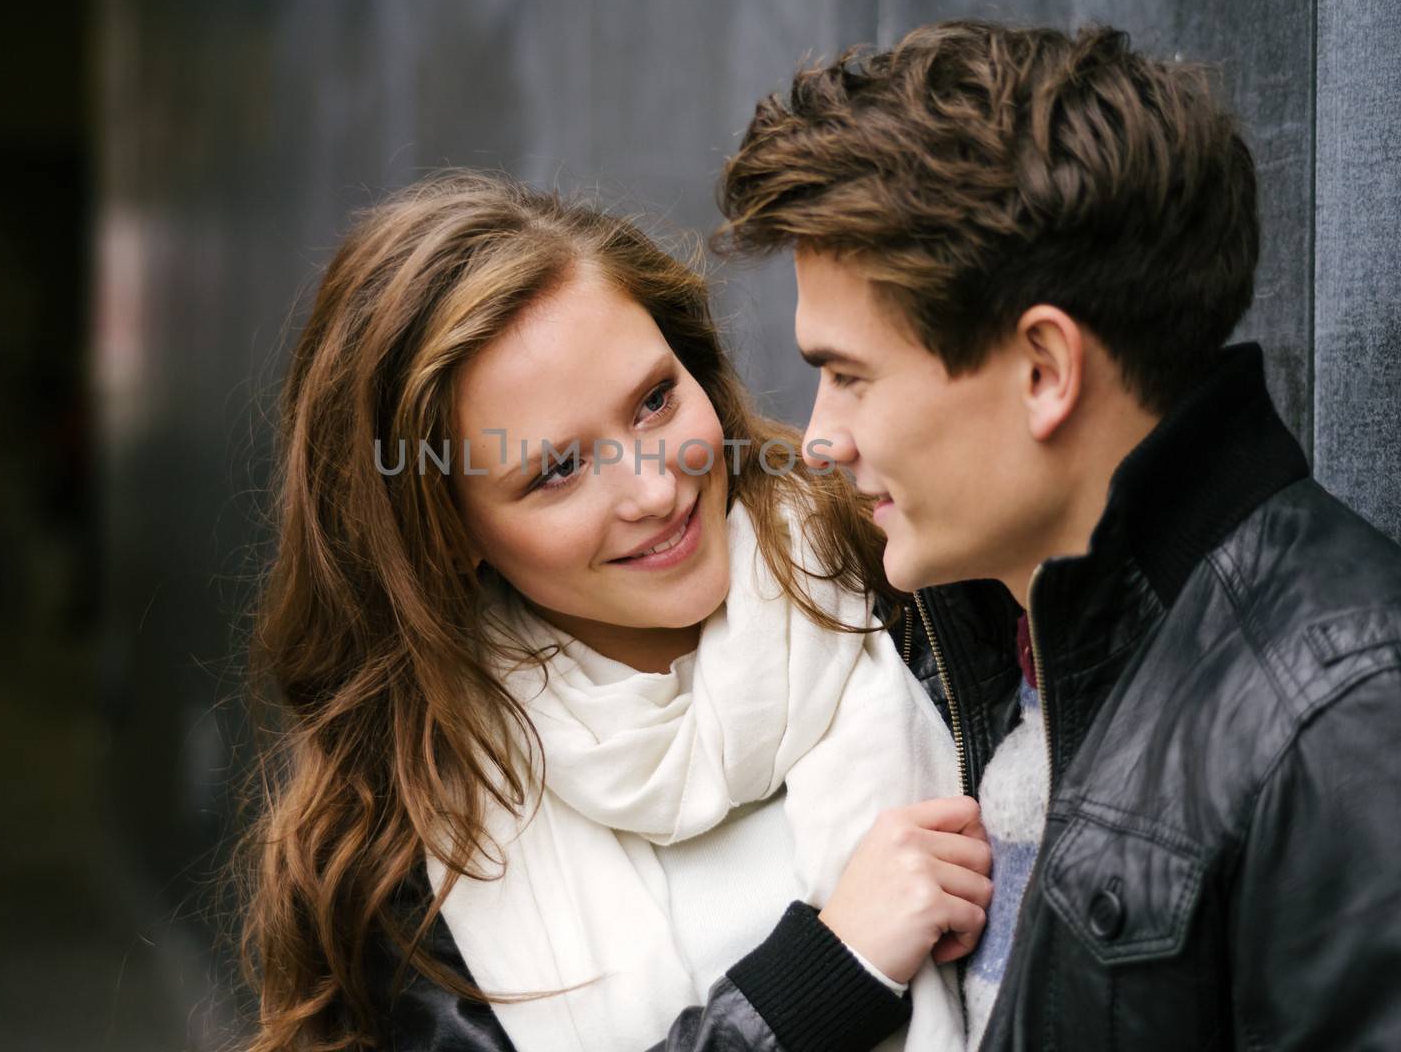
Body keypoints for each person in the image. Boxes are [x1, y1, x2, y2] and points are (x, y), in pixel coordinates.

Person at [714, 18, 1401, 1049]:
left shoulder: (1341, 721)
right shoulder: (976, 652)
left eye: (850, 376)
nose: (816, 439)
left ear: (1044, 370)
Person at [234, 170, 994, 1052]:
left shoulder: (904, 579)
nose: (657, 488)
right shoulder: (408, 854)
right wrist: (832, 969)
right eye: (556, 470)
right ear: (447, 534)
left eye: (655, 400)